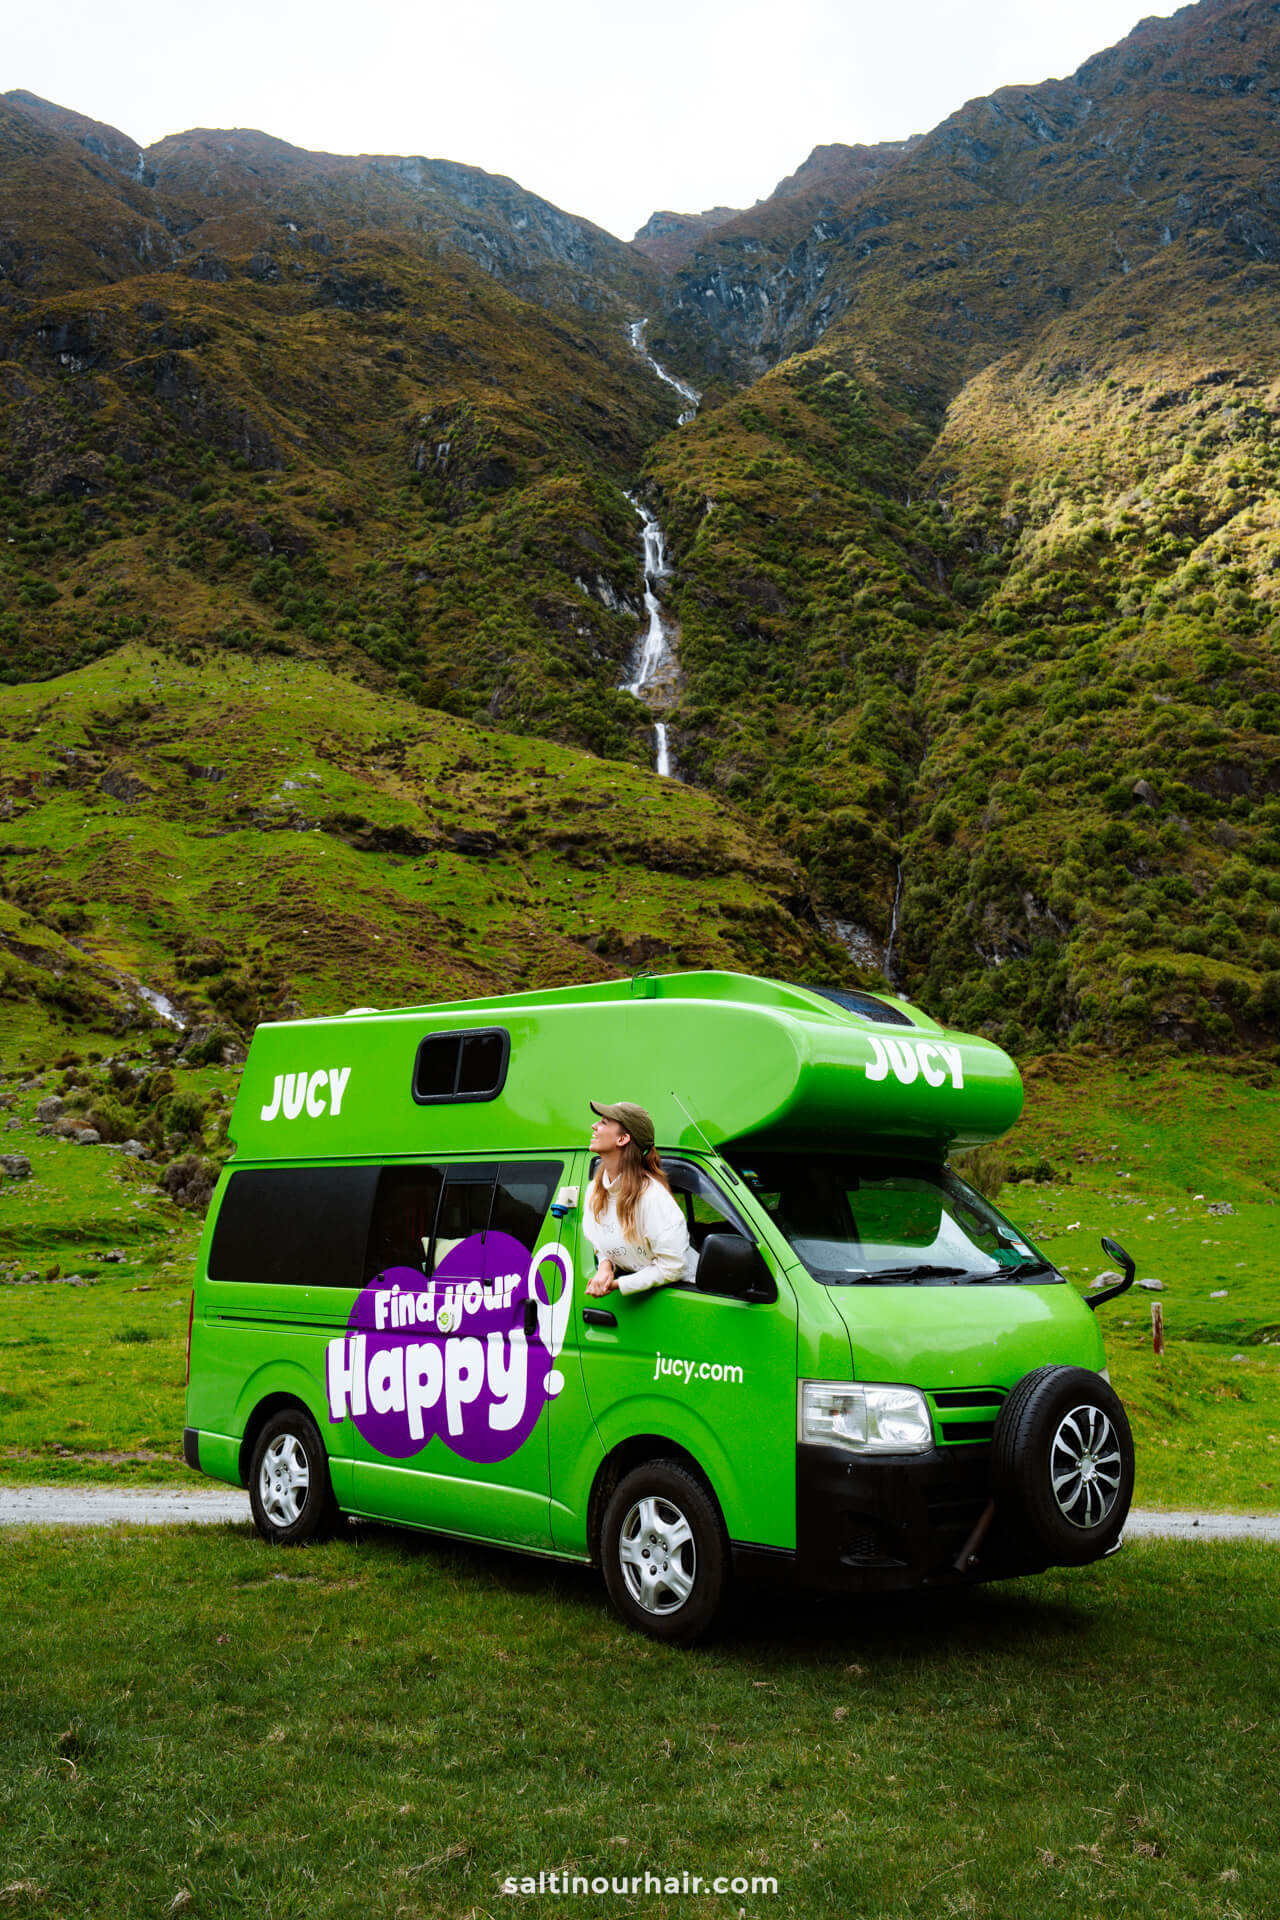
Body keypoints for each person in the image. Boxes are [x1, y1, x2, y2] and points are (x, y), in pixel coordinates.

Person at [583, 1100, 694, 1297]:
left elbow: (673, 1266)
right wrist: (605, 1267)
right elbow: (601, 1244)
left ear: (623, 1139)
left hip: (685, 1294)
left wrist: (618, 1285)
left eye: (604, 1122)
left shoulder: (652, 1197)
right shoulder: (594, 1192)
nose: (595, 1126)